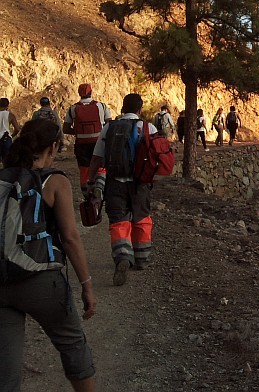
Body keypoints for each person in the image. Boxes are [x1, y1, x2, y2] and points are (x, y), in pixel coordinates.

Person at [0, 119, 97, 391]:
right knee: (72, 343)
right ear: (53, 147)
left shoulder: (2, 179)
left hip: (1, 282)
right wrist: (86, 285)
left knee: (5, 367)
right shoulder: (54, 181)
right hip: (40, 281)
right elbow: (69, 237)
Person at [87, 93, 158, 286]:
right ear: (140, 109)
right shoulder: (147, 127)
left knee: (119, 222)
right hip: (139, 185)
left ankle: (123, 258)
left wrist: (90, 181)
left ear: (122, 108)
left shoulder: (108, 128)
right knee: (141, 219)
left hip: (114, 183)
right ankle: (142, 258)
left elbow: (96, 158)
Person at [63, 84, 112, 195]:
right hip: (98, 142)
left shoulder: (73, 108)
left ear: (79, 93)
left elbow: (65, 128)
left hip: (81, 145)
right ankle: (100, 186)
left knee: (84, 170)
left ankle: (86, 194)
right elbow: (109, 123)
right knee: (101, 166)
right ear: (91, 92)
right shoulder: (102, 106)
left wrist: (77, 132)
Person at [0, 97, 21, 166]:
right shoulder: (10, 115)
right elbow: (17, 129)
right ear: (7, 105)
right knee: (7, 163)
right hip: (6, 139)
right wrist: (12, 136)